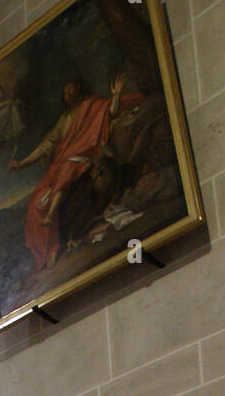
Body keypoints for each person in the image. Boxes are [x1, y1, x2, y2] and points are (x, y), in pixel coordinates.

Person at [9, 74, 136, 270]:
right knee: (35, 203)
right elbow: (47, 144)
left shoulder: (92, 106)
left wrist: (117, 95)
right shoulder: (64, 120)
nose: (68, 94)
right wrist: (22, 164)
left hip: (87, 157)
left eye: (71, 90)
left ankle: (51, 214)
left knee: (68, 166)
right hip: (62, 164)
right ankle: (49, 250)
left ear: (79, 90)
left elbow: (111, 112)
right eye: (65, 92)